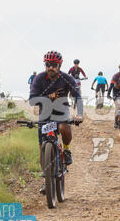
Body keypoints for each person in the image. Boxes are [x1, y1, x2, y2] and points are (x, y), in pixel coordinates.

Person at [29, 50, 83, 195]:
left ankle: (66, 149)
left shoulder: (67, 78)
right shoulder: (39, 78)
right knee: (42, 148)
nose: (50, 67)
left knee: (64, 127)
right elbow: (32, 99)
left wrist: (79, 114)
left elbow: (77, 96)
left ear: (59, 65)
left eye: (53, 65)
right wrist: (47, 97)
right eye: (48, 65)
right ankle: (46, 179)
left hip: (61, 110)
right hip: (45, 113)